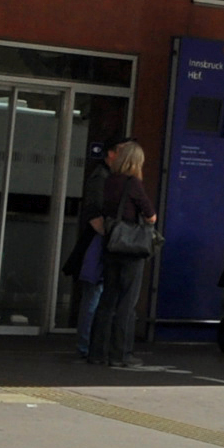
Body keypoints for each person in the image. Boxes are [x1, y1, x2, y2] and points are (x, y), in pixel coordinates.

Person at [94, 142, 157, 368]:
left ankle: (97, 352)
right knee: (127, 302)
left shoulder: (109, 181)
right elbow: (150, 216)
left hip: (111, 243)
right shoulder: (133, 183)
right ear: (136, 162)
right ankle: (120, 353)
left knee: (107, 299)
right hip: (131, 247)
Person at [72, 140, 113, 361]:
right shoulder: (101, 178)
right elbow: (95, 213)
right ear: (111, 154)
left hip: (99, 242)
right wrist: (110, 234)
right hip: (98, 243)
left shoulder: (106, 177)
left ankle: (88, 344)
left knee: (95, 293)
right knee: (94, 293)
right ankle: (86, 345)